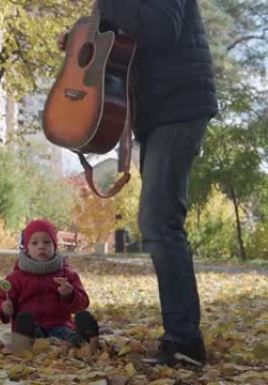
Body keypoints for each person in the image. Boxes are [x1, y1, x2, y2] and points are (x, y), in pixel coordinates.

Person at [95, 0, 219, 366]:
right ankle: (182, 337)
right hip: (160, 112)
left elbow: (164, 28)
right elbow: (121, 39)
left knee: (159, 222)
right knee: (160, 222)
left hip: (180, 106)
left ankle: (184, 341)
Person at [0, 219, 98, 347]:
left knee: (67, 335)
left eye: (47, 242)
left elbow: (82, 304)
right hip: (30, 326)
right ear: (27, 248)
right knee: (30, 333)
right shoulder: (15, 278)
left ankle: (84, 338)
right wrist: (3, 308)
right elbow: (1, 298)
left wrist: (69, 295)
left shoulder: (66, 274)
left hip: (59, 324)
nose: (41, 246)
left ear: (54, 246)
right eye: (35, 243)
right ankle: (25, 338)